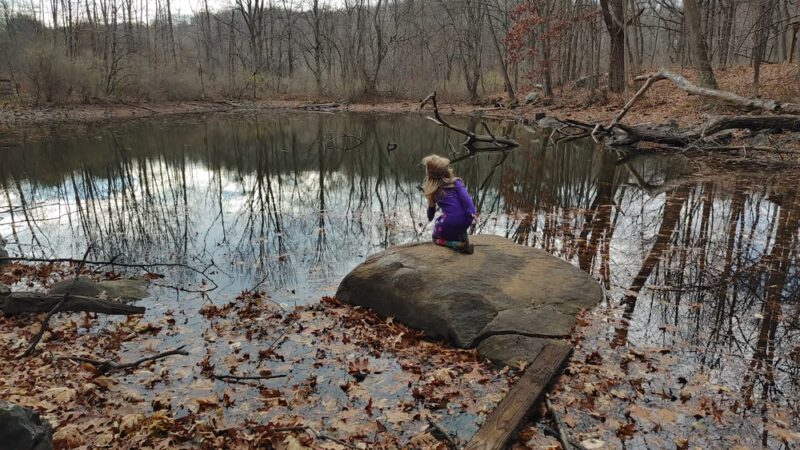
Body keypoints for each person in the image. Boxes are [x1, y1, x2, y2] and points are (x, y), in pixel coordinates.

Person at [421, 154, 476, 254]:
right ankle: (464, 241)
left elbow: (431, 210)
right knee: (460, 220)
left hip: (450, 221)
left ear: (429, 175)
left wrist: (429, 217)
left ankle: (454, 244)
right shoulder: (456, 182)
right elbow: (466, 198)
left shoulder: (432, 191)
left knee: (435, 237)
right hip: (468, 218)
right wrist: (471, 212)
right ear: (446, 170)